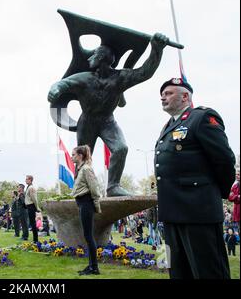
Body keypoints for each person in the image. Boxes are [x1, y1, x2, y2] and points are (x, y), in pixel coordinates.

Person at [48, 33, 169, 197]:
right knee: (82, 158)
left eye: (95, 54)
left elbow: (144, 73)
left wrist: (156, 49)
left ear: (103, 59)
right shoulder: (85, 78)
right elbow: (64, 83)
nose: (91, 57)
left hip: (107, 122)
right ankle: (80, 189)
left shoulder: (121, 77)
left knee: (121, 149)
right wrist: (55, 90)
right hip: (87, 121)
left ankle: (112, 186)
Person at [155, 77, 236, 279]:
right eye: (162, 95)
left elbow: (225, 160)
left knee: (208, 272)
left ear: (185, 96)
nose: (163, 97)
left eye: (169, 93)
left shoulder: (201, 118)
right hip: (172, 214)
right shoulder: (168, 126)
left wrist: (215, 193)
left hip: (198, 213)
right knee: (179, 272)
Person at [71, 144, 102, 276]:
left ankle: (94, 267)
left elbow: (94, 189)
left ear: (80, 155)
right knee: (87, 235)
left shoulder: (86, 169)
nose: (72, 157)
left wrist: (96, 204)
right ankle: (91, 266)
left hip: (86, 202)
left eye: (73, 154)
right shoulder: (79, 169)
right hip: (82, 203)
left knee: (89, 236)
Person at [24, 175, 41, 243]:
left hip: (31, 206)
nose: (25, 180)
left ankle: (35, 239)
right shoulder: (28, 187)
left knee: (33, 223)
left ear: (30, 180)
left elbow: (34, 198)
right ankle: (35, 239)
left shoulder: (31, 188)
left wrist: (37, 207)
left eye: (26, 179)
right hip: (29, 206)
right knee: (32, 223)